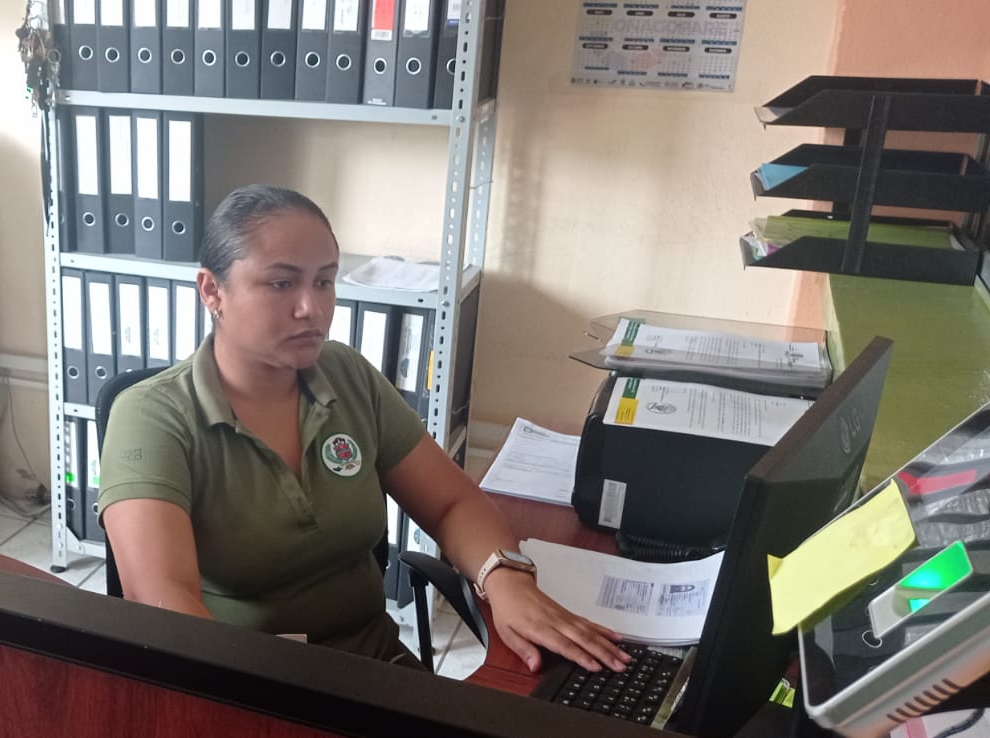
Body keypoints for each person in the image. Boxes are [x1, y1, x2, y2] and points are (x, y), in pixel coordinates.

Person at [99, 185, 630, 672]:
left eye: (324, 281)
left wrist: (505, 578)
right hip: (245, 682)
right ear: (212, 290)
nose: (311, 308)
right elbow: (165, 606)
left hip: (373, 666)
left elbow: (451, 503)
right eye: (281, 283)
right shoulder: (152, 416)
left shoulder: (346, 375)